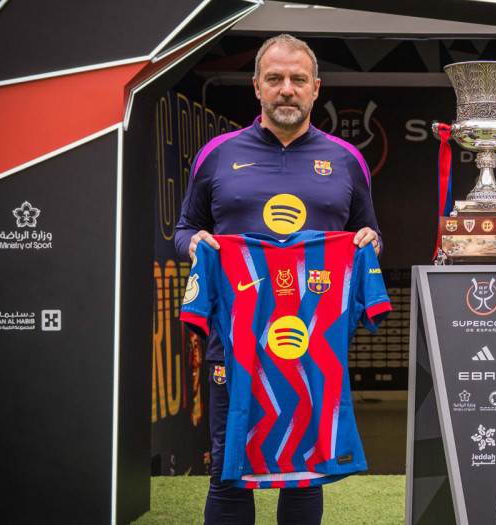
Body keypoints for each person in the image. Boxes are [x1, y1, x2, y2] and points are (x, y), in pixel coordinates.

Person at [174, 33, 382, 525]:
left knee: (305, 469)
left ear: (315, 89)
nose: (286, 89)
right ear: (257, 87)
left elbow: (366, 235)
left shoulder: (347, 159)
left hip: (311, 342)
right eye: (275, 79)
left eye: (297, 80)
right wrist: (196, 245)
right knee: (228, 470)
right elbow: (184, 229)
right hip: (235, 342)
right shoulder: (218, 153)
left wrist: (370, 243)